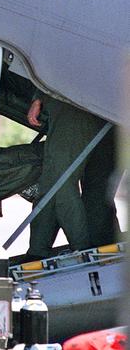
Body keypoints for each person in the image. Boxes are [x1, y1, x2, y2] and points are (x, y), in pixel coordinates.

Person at [26, 93, 120, 258]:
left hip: (72, 100)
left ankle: (83, 250)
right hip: (108, 105)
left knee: (59, 185)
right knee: (97, 191)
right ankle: (102, 247)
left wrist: (38, 96)